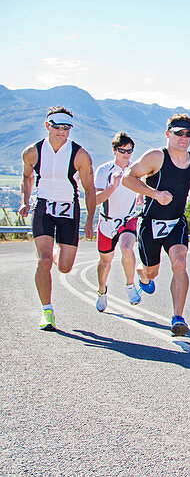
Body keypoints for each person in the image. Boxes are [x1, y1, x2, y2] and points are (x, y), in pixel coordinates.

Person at [122, 114, 190, 336]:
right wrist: (155, 194)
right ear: (167, 133)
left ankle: (178, 317)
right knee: (152, 272)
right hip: (151, 223)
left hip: (177, 221)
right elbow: (127, 178)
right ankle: (142, 273)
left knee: (180, 263)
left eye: (188, 133)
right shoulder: (155, 157)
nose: (183, 137)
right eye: (178, 132)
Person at [18, 106, 96, 331]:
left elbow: (89, 190)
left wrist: (90, 220)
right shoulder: (32, 152)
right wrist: (25, 200)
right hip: (43, 206)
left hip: (69, 209)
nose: (61, 132)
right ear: (47, 126)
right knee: (43, 261)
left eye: (66, 128)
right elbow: (27, 176)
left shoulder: (80, 155)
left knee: (64, 267)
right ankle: (47, 311)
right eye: (57, 127)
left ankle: (53, 252)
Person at [93, 132, 144, 312]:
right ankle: (101, 291)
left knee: (127, 249)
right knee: (105, 261)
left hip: (128, 219)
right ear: (114, 150)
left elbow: (142, 187)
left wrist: (140, 194)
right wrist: (113, 186)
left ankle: (130, 285)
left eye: (130, 151)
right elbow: (96, 199)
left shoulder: (136, 170)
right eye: (122, 151)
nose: (126, 154)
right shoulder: (103, 170)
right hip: (107, 221)